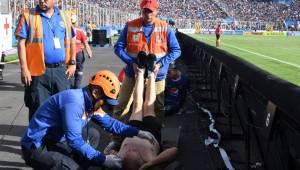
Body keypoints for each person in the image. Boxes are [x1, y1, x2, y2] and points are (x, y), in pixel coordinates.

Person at [20, 70, 157, 170]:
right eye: (105, 102)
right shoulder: (74, 102)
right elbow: (74, 140)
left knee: (93, 135)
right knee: (70, 168)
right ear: (96, 92)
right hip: (37, 147)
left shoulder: (91, 103)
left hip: (55, 139)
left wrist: (137, 132)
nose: (106, 106)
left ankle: (79, 164)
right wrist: (103, 159)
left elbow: (110, 123)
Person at [112, 0, 181, 151]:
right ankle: (117, 140)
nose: (147, 14)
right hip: (132, 73)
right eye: (145, 10)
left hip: (158, 75)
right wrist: (132, 63)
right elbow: (118, 48)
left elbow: (176, 50)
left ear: (156, 11)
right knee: (122, 106)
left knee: (158, 107)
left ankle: (156, 138)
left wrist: (160, 64)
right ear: (141, 10)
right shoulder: (130, 25)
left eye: (150, 11)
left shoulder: (165, 27)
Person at [15, 0, 76, 120]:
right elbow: (21, 43)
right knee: (38, 110)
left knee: (62, 108)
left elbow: (72, 39)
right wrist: (24, 69)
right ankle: (36, 139)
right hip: (38, 72)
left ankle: (56, 138)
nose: (42, 0)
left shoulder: (64, 16)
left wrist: (72, 63)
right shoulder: (29, 16)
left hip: (61, 71)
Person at [109, 66, 178, 170]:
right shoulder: (149, 164)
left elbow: (107, 153)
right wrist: (149, 164)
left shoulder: (118, 164)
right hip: (151, 133)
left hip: (132, 131)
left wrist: (111, 152)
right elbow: (174, 150)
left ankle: (140, 72)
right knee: (149, 105)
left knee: (137, 105)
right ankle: (151, 74)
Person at [70, 14, 93, 89]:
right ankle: (77, 88)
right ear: (76, 21)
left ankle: (71, 87)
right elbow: (86, 44)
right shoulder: (80, 31)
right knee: (79, 71)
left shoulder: (66, 30)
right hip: (78, 54)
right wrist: (89, 53)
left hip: (69, 54)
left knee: (70, 71)